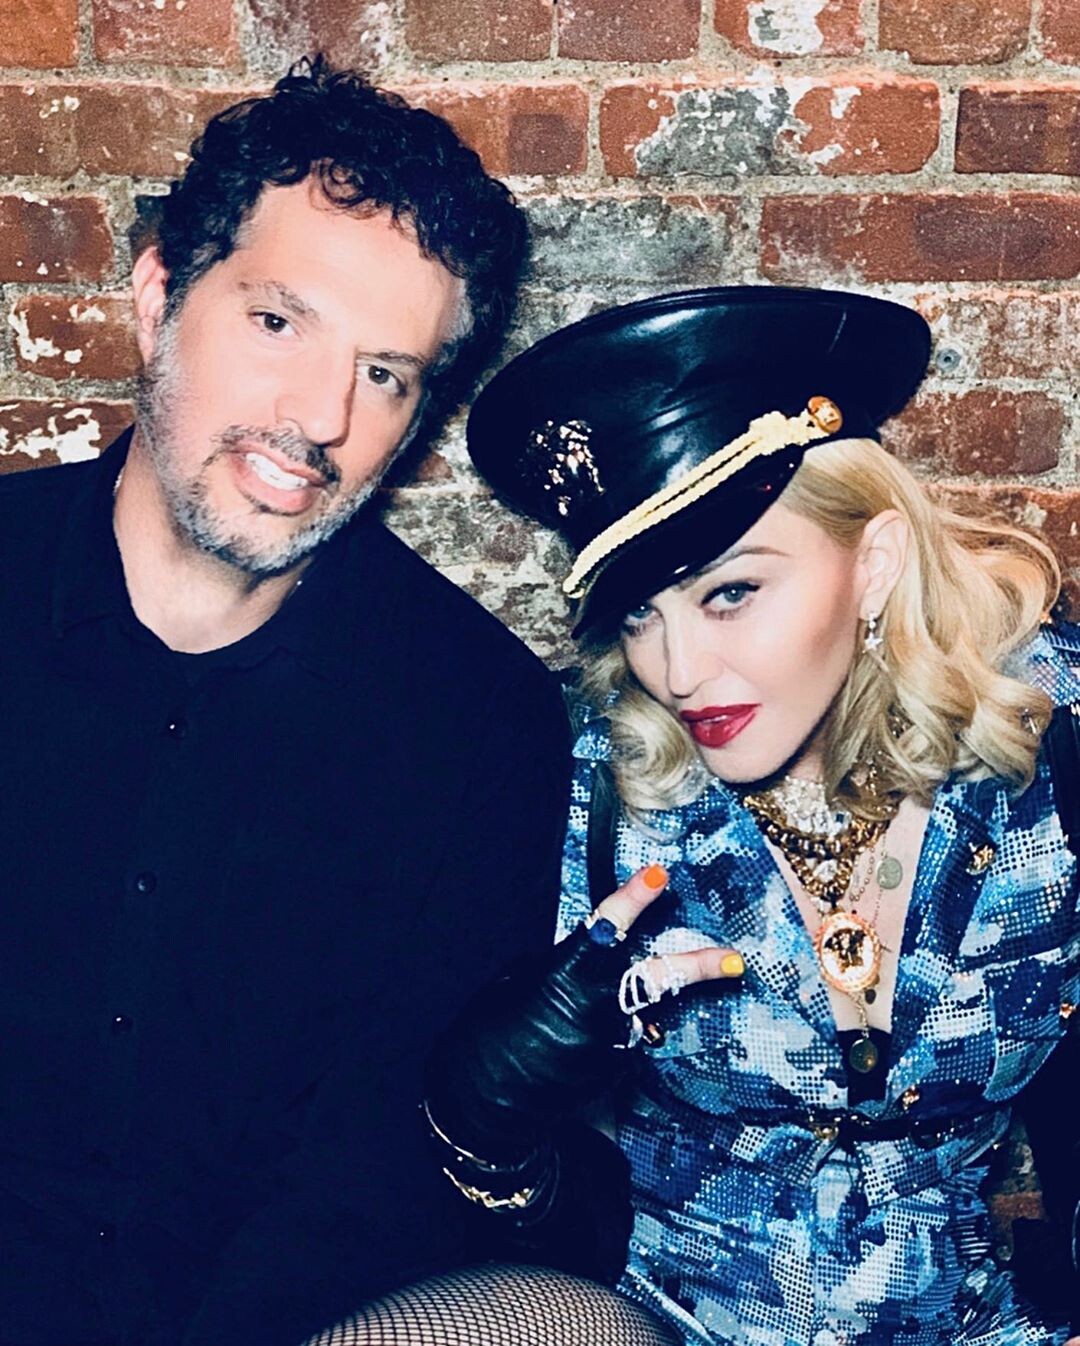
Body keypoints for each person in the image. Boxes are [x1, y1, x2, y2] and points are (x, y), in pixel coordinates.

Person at [0, 57, 582, 1346]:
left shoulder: (477, 719)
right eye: (279, 322)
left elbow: (376, 1180)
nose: (321, 415)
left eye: (386, 374)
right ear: (158, 297)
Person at [423, 286, 1080, 1345]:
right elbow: (508, 1201)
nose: (678, 670)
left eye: (729, 591)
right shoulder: (588, 790)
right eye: (640, 612)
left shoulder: (1049, 740)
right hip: (663, 1320)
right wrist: (481, 1125)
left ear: (875, 563)